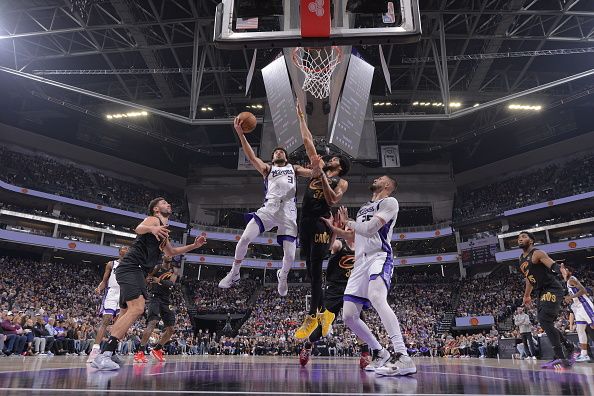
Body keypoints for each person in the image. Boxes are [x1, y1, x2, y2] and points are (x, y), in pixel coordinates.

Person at [91, 197, 207, 371]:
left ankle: (109, 350)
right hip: (132, 267)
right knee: (137, 309)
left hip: (136, 270)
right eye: (164, 203)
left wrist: (194, 246)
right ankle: (104, 354)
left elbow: (172, 251)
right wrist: (152, 227)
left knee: (125, 312)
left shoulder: (163, 231)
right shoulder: (155, 220)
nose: (168, 204)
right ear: (156, 209)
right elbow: (139, 228)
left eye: (168, 202)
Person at [322, 176, 416, 376]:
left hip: (378, 257)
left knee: (376, 297)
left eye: (381, 178)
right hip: (360, 262)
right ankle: (380, 352)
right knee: (348, 316)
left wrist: (348, 222)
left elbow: (371, 229)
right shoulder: (365, 207)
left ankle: (403, 355)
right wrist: (336, 229)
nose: (376, 178)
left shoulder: (390, 202)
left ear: (388, 185)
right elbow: (355, 239)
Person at [219, 117, 318, 294]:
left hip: (288, 212)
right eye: (276, 152)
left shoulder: (294, 169)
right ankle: (234, 272)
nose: (279, 153)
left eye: (282, 152)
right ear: (272, 158)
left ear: (286, 157)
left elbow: (313, 173)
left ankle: (283, 275)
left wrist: (316, 167)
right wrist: (241, 134)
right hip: (269, 209)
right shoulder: (267, 169)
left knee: (289, 255)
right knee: (244, 239)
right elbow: (251, 157)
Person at [294, 101, 350, 340]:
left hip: (320, 222)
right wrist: (301, 119)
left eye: (335, 159)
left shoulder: (341, 181)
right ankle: (319, 315)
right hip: (304, 220)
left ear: (339, 166)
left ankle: (313, 317)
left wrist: (320, 174)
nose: (331, 158)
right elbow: (307, 145)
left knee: (316, 271)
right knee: (310, 271)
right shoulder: (318, 170)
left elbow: (333, 200)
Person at [517, 231, 574, 369]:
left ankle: (561, 357)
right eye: (518, 238)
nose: (520, 239)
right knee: (545, 322)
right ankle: (568, 346)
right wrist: (526, 295)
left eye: (523, 237)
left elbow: (552, 265)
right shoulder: (521, 259)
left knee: (544, 319)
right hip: (540, 291)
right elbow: (529, 278)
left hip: (552, 288)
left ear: (531, 241)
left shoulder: (537, 253)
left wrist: (561, 270)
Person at [87, 246, 129, 363]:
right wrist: (100, 287)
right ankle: (95, 350)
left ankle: (110, 351)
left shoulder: (131, 265)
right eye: (123, 249)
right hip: (112, 293)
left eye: (127, 249)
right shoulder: (111, 264)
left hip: (124, 293)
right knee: (106, 320)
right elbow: (104, 280)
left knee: (118, 325)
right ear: (119, 252)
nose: (125, 250)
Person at [135, 256, 179, 363]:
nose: (168, 256)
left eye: (170, 254)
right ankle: (140, 352)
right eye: (166, 254)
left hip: (166, 301)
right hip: (155, 298)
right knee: (152, 322)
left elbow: (171, 284)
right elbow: (147, 279)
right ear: (163, 257)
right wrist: (149, 281)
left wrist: (158, 280)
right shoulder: (157, 267)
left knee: (171, 329)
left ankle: (157, 349)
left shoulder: (174, 270)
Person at [560, 263, 594, 362]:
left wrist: (570, 297)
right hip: (579, 308)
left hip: (585, 305)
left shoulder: (571, 279)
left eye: (565, 270)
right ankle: (584, 354)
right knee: (580, 330)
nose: (563, 272)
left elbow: (583, 290)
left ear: (569, 272)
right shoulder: (567, 281)